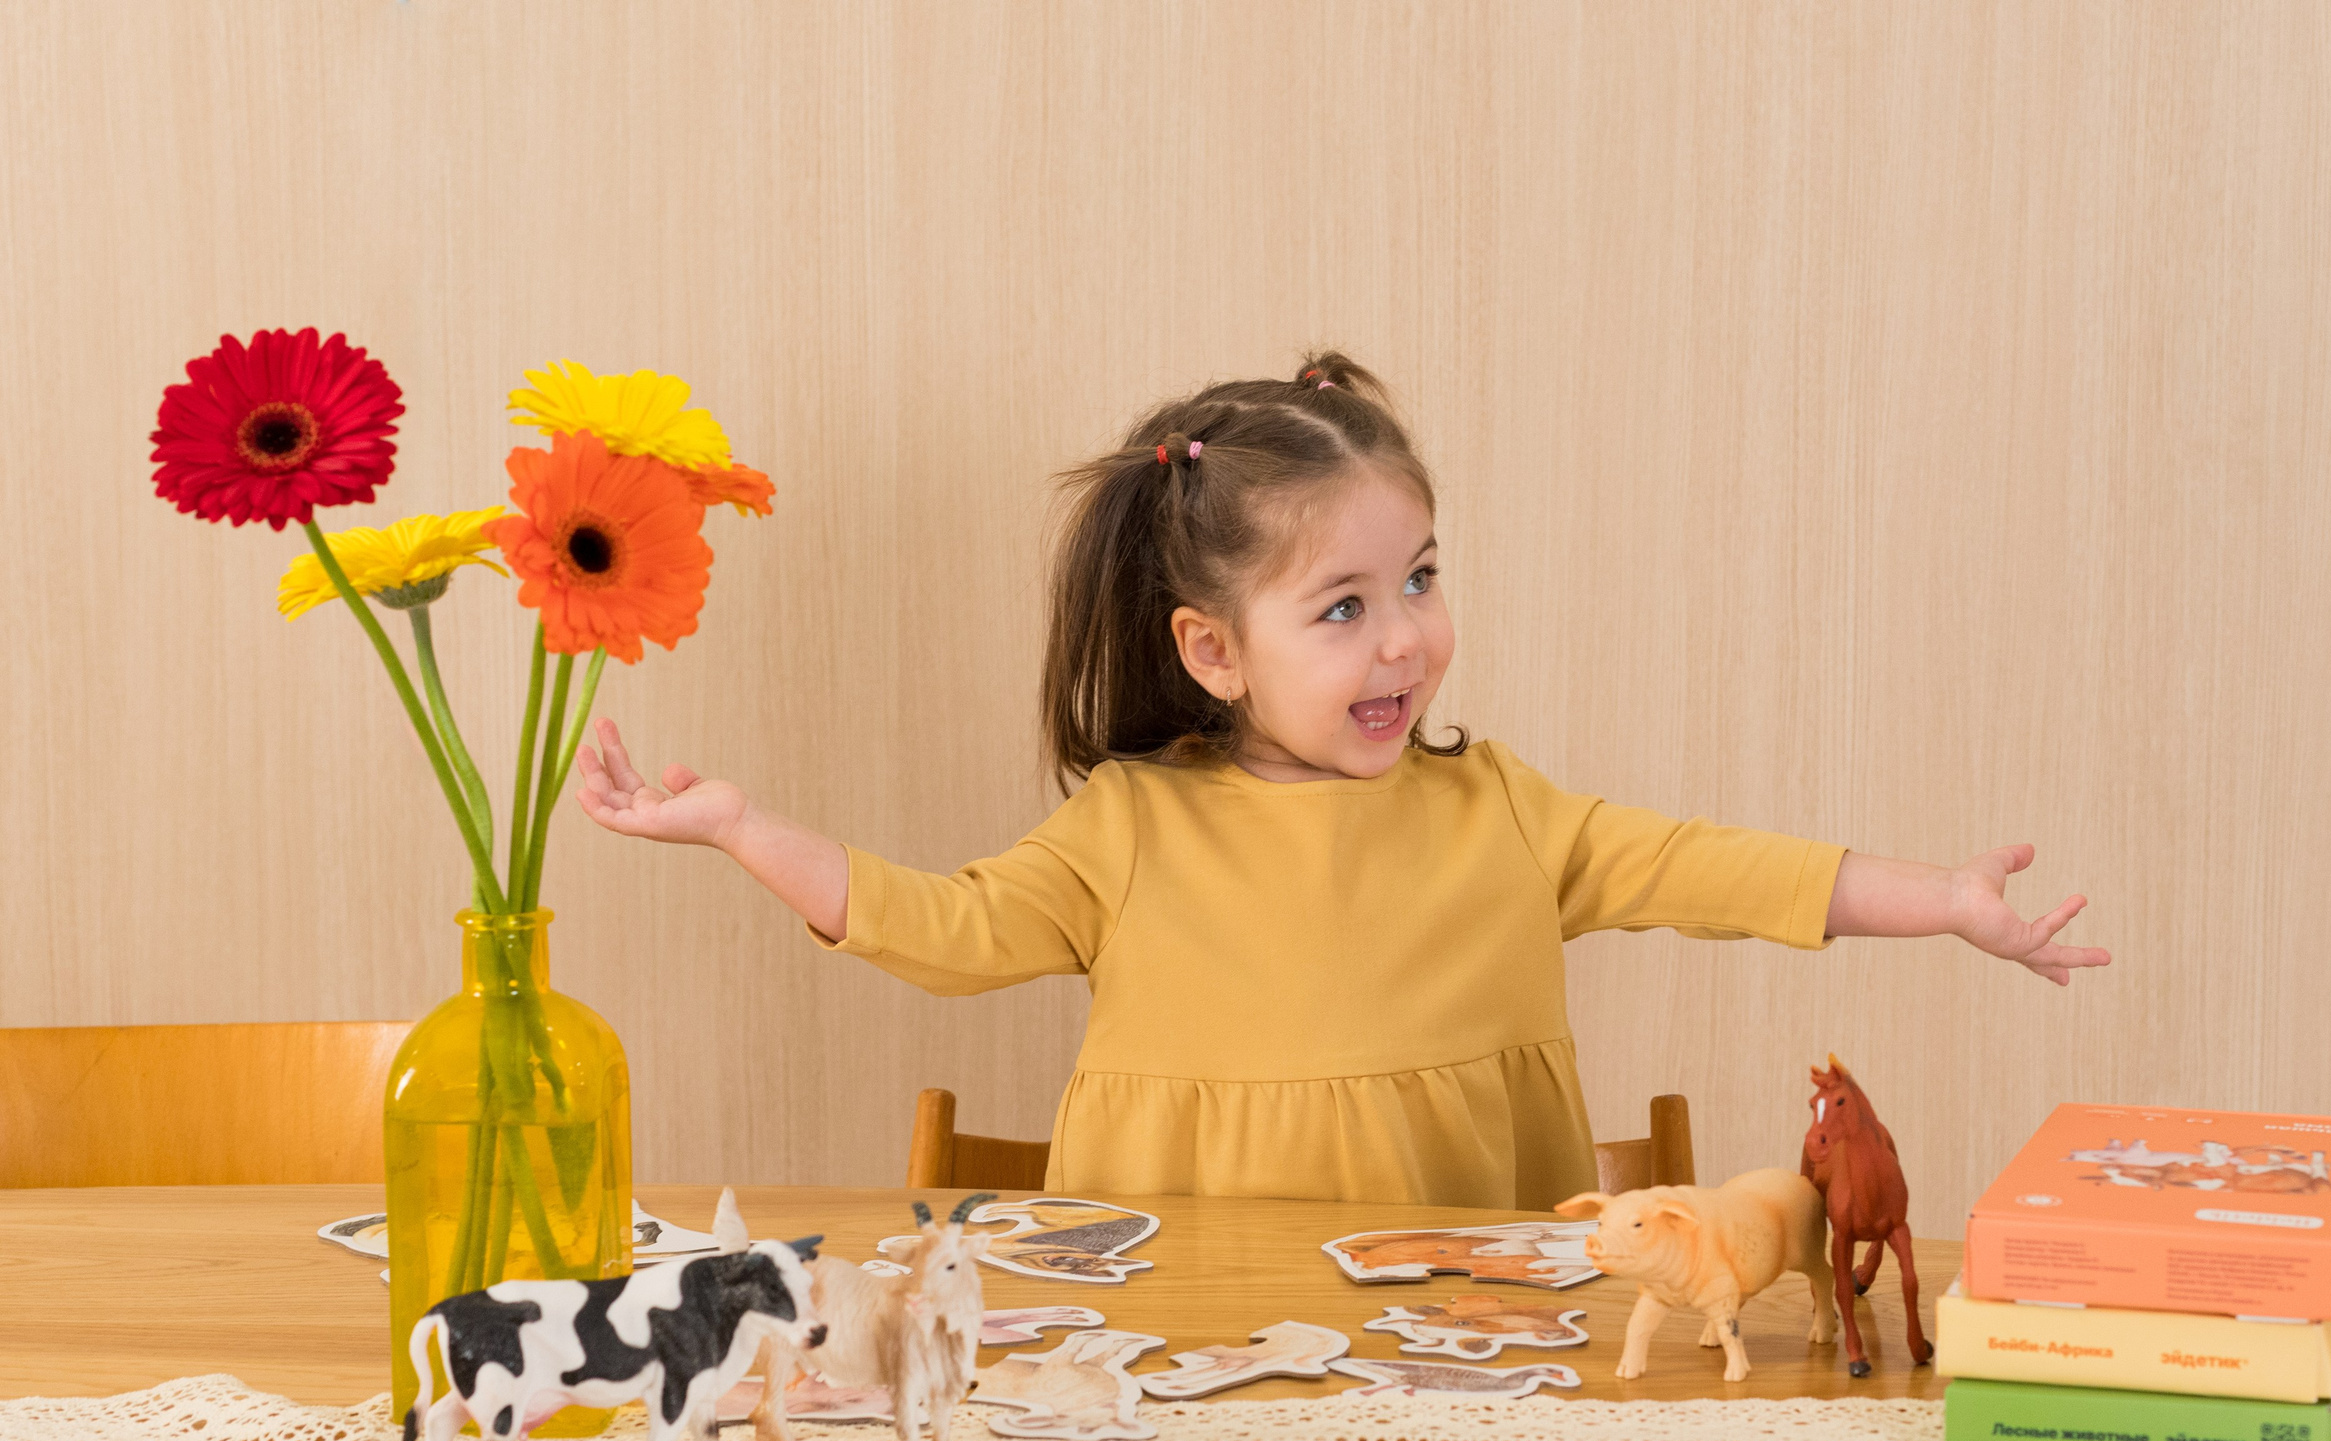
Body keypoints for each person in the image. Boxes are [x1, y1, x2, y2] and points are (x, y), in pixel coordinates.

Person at [574, 352, 2108, 1209]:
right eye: (1345, 607)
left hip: (1471, 1351)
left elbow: (1730, 872)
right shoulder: (1132, 827)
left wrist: (1948, 903)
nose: (1406, 641)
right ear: (1216, 651)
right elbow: (943, 925)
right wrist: (740, 829)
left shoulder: (1503, 810)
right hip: (1184, 1339)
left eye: (1422, 580)